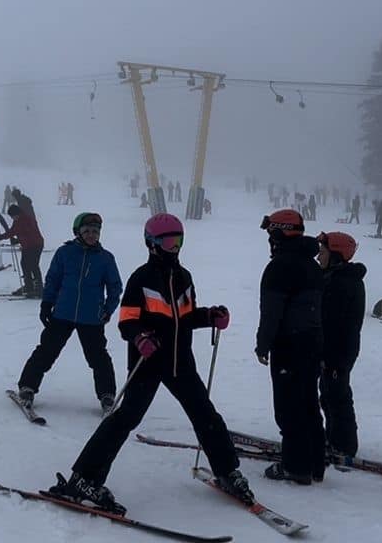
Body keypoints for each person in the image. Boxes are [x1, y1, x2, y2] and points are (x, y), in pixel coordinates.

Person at [49, 214, 253, 514]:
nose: (175, 248)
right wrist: (140, 336)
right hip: (148, 362)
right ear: (153, 244)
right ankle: (83, 479)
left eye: (179, 241)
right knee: (125, 418)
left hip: (180, 363)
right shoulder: (141, 279)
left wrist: (209, 316)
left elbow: (185, 317)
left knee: (205, 414)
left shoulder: (184, 277)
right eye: (170, 242)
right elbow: (126, 321)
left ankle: (227, 471)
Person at [17, 213, 122, 412]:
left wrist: (108, 309)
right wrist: (46, 304)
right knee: (46, 351)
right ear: (78, 232)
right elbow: (53, 280)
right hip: (62, 314)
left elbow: (115, 286)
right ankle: (27, 387)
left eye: (95, 231)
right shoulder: (65, 253)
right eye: (87, 231)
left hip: (91, 318)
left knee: (98, 358)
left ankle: (107, 395)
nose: (91, 235)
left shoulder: (105, 258)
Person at [255, 209, 325, 484]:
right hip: (311, 342)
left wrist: (263, 344)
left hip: (289, 344)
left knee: (289, 406)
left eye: (271, 234)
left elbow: (271, 312)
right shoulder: (312, 265)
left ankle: (296, 466)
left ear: (280, 233)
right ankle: (315, 462)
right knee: (308, 402)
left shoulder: (280, 267)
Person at [315, 231, 365, 457]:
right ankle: (334, 437)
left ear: (335, 255)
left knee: (337, 396)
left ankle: (344, 445)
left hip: (338, 351)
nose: (318, 257)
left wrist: (329, 355)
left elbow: (334, 323)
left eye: (323, 252)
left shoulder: (342, 283)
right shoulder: (335, 278)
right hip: (334, 349)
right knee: (328, 394)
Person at [0, 203, 44, 297]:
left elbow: (27, 232)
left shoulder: (27, 219)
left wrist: (16, 239)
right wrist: (3, 237)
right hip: (27, 246)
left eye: (12, 216)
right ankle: (29, 285)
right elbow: (13, 231)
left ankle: (39, 288)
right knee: (24, 264)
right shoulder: (18, 220)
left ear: (17, 213)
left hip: (36, 244)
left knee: (33, 265)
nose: (12, 218)